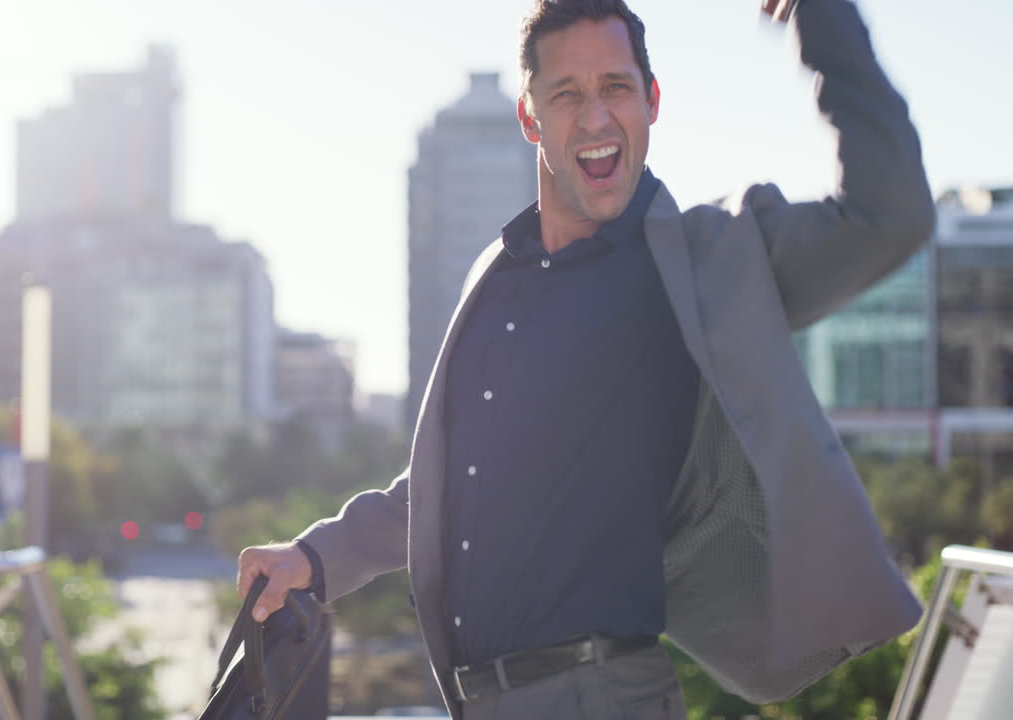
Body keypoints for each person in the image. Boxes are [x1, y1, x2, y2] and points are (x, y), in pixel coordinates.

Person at [238, 0, 933, 717]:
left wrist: (821, 17)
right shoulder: (498, 278)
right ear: (530, 118)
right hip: (478, 702)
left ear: (652, 101)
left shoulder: (700, 266)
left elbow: (890, 215)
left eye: (616, 88)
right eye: (567, 94)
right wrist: (316, 559)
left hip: (603, 695)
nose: (596, 117)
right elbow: (447, 487)